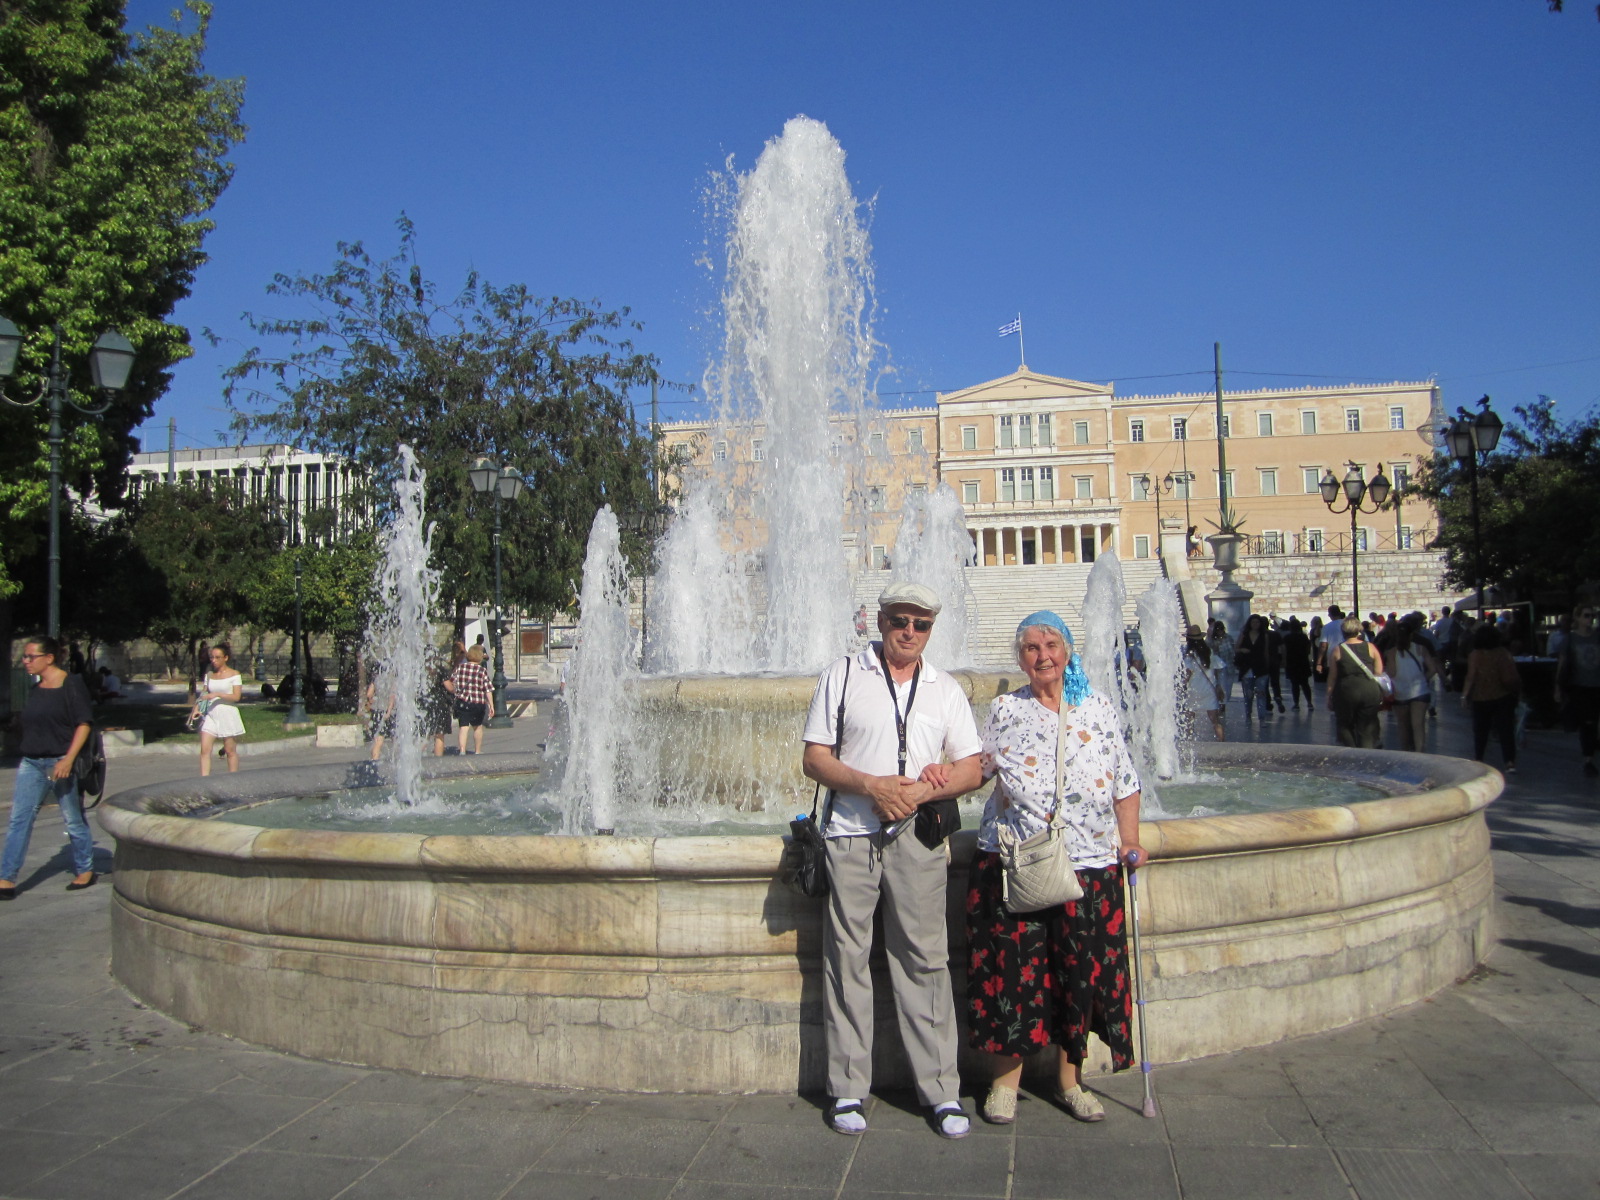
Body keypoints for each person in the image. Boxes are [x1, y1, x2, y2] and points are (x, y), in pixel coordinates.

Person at [801, 582, 983, 1139]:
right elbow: (814, 758)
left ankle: (941, 1090)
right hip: (850, 833)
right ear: (880, 621)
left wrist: (924, 790)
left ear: (931, 630)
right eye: (900, 620)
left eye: (921, 624)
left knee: (925, 959)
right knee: (846, 959)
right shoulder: (843, 675)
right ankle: (847, 1087)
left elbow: (971, 767)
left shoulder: (944, 689)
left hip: (918, 837)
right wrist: (871, 785)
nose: (909, 631)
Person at [966, 611, 1143, 1127]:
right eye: (1030, 648)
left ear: (1067, 650)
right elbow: (981, 768)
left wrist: (1130, 840)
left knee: (1079, 976)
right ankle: (1004, 1085)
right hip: (1019, 862)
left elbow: (1125, 781)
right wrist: (933, 779)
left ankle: (1071, 1082)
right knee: (1011, 974)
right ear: (1020, 659)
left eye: (1050, 645)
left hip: (1089, 865)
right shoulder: (1006, 708)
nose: (1042, 656)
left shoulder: (1098, 707)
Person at [0, 637, 98, 897]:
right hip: (31, 762)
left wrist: (68, 759)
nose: (25, 661)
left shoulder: (71, 684)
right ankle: (6, 878)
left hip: (60, 762)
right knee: (20, 819)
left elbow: (84, 724)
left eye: (30, 656)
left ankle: (85, 869)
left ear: (49, 658)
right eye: (24, 656)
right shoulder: (35, 688)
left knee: (72, 818)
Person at [1461, 623, 1521, 773]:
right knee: (1506, 730)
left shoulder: (1475, 655)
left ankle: (1479, 758)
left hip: (1480, 697)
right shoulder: (1503, 653)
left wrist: (1465, 695)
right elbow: (1511, 675)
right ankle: (1509, 762)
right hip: (1503, 696)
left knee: (1480, 731)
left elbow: (1470, 677)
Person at [1552, 603, 1599, 778]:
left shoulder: (1597, 636)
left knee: (1594, 722)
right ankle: (1588, 758)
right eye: (1586, 615)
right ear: (1577, 618)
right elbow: (1562, 662)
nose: (1590, 619)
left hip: (1597, 685)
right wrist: (1558, 686)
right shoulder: (1570, 639)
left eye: (1592, 616)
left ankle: (1590, 752)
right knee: (1587, 722)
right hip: (1580, 686)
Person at [1325, 616, 1384, 749]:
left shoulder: (1337, 650)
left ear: (1343, 631)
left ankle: (1351, 751)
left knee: (1344, 724)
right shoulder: (1371, 647)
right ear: (1359, 631)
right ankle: (1366, 753)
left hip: (1346, 691)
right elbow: (1378, 671)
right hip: (1369, 689)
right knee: (1366, 727)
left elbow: (1332, 676)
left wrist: (1329, 695)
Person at [1386, 619, 1440, 753]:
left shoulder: (1391, 652)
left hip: (1400, 693)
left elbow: (1392, 673)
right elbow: (1433, 669)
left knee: (1403, 725)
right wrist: (1423, 679)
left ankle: (1406, 752)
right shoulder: (1421, 648)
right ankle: (1419, 753)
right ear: (1411, 635)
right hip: (1420, 691)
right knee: (1418, 725)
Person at [193, 643, 245, 775]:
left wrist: (217, 694)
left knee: (229, 750)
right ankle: (205, 779)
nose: (213, 660)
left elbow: (236, 696)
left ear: (225, 658)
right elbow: (204, 693)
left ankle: (233, 778)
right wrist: (197, 708)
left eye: (217, 657)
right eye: (212, 657)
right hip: (211, 714)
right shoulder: (210, 675)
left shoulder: (234, 675)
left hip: (227, 714)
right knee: (205, 749)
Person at [445, 644, 494, 754]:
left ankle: (462, 750)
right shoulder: (482, 671)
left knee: (463, 727)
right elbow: (488, 689)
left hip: (463, 701)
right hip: (478, 703)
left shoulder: (460, 668)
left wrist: (457, 690)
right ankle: (478, 750)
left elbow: (452, 681)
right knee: (478, 727)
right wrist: (491, 705)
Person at [1183, 625, 1225, 740]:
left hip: (1194, 690)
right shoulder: (1209, 652)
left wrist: (1181, 686)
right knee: (1215, 721)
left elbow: (1188, 673)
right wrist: (1218, 686)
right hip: (1209, 690)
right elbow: (1216, 669)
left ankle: (1189, 742)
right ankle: (1222, 742)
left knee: (1189, 720)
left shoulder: (1189, 655)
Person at [1233, 614, 1275, 722]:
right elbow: (1236, 648)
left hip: (1261, 667)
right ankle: (1248, 714)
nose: (1255, 624)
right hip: (1247, 667)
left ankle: (1262, 717)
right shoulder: (1244, 634)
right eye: (1253, 622)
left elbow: (1265, 651)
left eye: (1257, 622)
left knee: (1261, 693)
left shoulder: (1264, 635)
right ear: (1249, 623)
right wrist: (1242, 650)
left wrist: (1267, 666)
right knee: (1248, 694)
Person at [1281, 618, 1313, 711]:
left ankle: (1296, 704)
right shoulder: (1304, 637)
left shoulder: (1287, 638)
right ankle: (1309, 703)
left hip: (1291, 662)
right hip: (1303, 662)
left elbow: (1284, 650)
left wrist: (1284, 661)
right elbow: (1308, 649)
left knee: (1294, 684)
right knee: (1305, 684)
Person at [1208, 619, 1236, 714]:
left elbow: (1233, 651)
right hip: (1219, 668)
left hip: (1230, 666)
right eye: (1218, 629)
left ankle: (1224, 701)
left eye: (1221, 629)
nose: (1220, 631)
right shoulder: (1212, 641)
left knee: (1228, 688)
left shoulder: (1229, 638)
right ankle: (1221, 704)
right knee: (1221, 686)